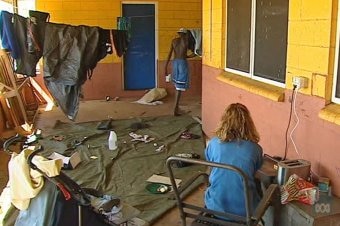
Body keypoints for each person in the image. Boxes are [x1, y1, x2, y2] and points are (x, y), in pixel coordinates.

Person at [204, 103, 263, 218]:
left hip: (215, 206)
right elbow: (254, 170)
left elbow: (210, 164)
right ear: (248, 124)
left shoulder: (214, 143)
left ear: (224, 121)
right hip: (245, 211)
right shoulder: (255, 149)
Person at [165, 28, 196, 116]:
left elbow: (169, 54)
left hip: (175, 63)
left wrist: (165, 67)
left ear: (179, 33)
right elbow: (195, 52)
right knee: (180, 87)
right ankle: (175, 109)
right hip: (182, 63)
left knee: (177, 85)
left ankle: (176, 108)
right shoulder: (186, 42)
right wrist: (188, 56)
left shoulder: (174, 41)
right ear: (186, 34)